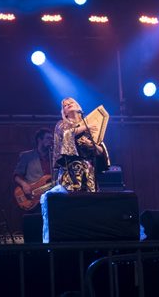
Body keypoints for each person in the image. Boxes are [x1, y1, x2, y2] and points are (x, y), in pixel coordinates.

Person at [40, 97, 110, 242]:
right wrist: (85, 127)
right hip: (71, 172)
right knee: (73, 206)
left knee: (90, 206)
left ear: (78, 106)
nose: (68, 105)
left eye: (70, 102)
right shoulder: (62, 125)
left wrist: (93, 146)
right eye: (64, 105)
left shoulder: (90, 127)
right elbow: (67, 136)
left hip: (89, 172)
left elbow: (101, 151)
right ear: (63, 112)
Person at [13, 128, 54, 212]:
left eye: (52, 138)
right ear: (40, 140)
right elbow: (16, 176)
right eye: (48, 138)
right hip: (33, 198)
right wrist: (24, 185)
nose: (51, 141)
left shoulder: (54, 157)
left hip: (50, 198)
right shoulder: (27, 156)